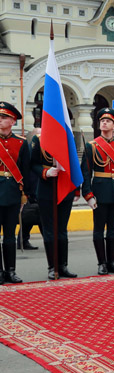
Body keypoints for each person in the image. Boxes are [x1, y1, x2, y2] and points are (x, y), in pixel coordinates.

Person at [80, 108, 114, 275]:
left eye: (108, 121)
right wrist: (88, 194)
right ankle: (101, 263)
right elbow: (86, 172)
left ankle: (112, 262)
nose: (104, 123)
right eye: (102, 120)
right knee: (98, 229)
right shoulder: (92, 146)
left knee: (112, 229)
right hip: (100, 191)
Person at [31, 114, 79, 280]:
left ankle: (63, 266)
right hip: (46, 189)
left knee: (62, 231)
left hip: (65, 187)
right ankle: (52, 267)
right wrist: (45, 172)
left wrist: (77, 189)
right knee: (50, 230)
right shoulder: (39, 140)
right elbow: (33, 163)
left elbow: (74, 164)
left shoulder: (69, 139)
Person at [0, 102, 31, 284]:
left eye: (4, 117)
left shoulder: (20, 143)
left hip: (12, 193)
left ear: (12, 121)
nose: (0, 120)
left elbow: (25, 171)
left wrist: (24, 195)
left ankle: (10, 271)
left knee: (10, 235)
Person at [18, 128, 41, 251]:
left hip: (39, 185)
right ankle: (22, 240)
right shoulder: (27, 150)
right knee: (29, 216)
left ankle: (52, 240)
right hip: (31, 187)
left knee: (36, 216)